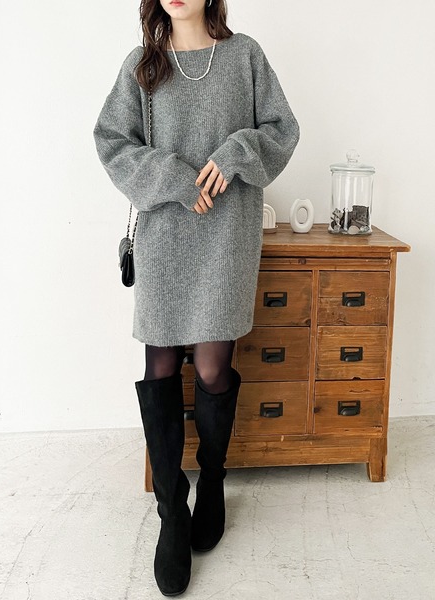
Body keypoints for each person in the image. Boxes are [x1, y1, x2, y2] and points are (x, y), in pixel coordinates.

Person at [93, 0, 300, 595]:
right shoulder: (143, 66)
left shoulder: (245, 56)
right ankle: (170, 513)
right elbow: (112, 141)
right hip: (164, 237)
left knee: (212, 369)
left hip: (226, 238)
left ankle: (212, 479)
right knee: (159, 366)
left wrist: (235, 154)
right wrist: (174, 178)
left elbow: (282, 130)